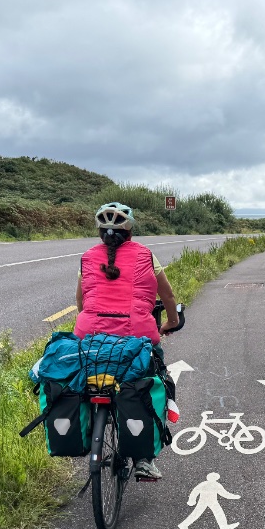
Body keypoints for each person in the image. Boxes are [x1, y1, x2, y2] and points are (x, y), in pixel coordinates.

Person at [75, 202, 179, 479]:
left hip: (91, 334)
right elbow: (167, 296)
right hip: (137, 335)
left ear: (99, 233)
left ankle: (85, 427)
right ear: (130, 230)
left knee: (86, 376)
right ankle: (144, 459)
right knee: (155, 379)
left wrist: (89, 327)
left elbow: (81, 300)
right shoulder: (145, 255)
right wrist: (173, 321)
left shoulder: (87, 257)